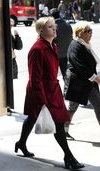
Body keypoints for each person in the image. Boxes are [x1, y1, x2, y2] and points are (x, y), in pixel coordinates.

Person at [15, 17, 84, 170]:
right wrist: (42, 100)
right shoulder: (37, 49)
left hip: (53, 89)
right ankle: (69, 158)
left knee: (33, 117)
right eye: (50, 27)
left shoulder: (53, 45)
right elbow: (35, 78)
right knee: (58, 124)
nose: (54, 29)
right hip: (41, 92)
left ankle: (21, 143)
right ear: (41, 31)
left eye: (54, 26)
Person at [64, 21, 100, 142]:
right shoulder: (76, 46)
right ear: (80, 33)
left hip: (87, 82)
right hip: (78, 83)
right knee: (72, 107)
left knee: (98, 104)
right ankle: (63, 130)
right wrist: (99, 80)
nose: (91, 33)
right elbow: (81, 67)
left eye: (91, 31)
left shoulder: (84, 44)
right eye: (88, 31)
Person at [51, 9, 73, 81]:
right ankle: (68, 90)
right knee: (66, 75)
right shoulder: (67, 24)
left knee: (52, 76)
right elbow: (71, 36)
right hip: (68, 53)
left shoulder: (53, 27)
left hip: (57, 54)